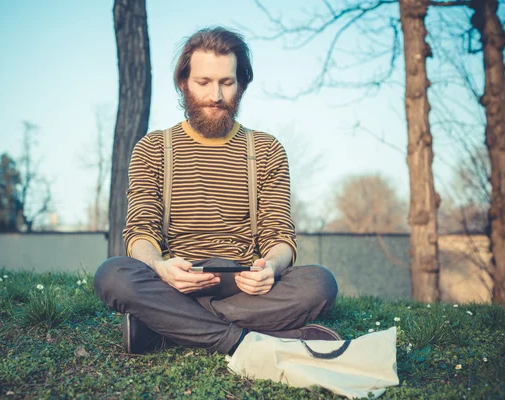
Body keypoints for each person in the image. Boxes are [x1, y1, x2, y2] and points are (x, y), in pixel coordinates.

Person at [94, 26, 339, 355]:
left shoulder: (266, 150)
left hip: (247, 290)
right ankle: (244, 341)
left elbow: (279, 235)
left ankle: (163, 328)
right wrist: (160, 267)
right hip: (173, 285)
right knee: (113, 275)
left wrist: (272, 268)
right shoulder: (153, 148)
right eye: (204, 82)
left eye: (227, 82)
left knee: (320, 284)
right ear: (184, 83)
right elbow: (140, 232)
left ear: (241, 84)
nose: (216, 96)